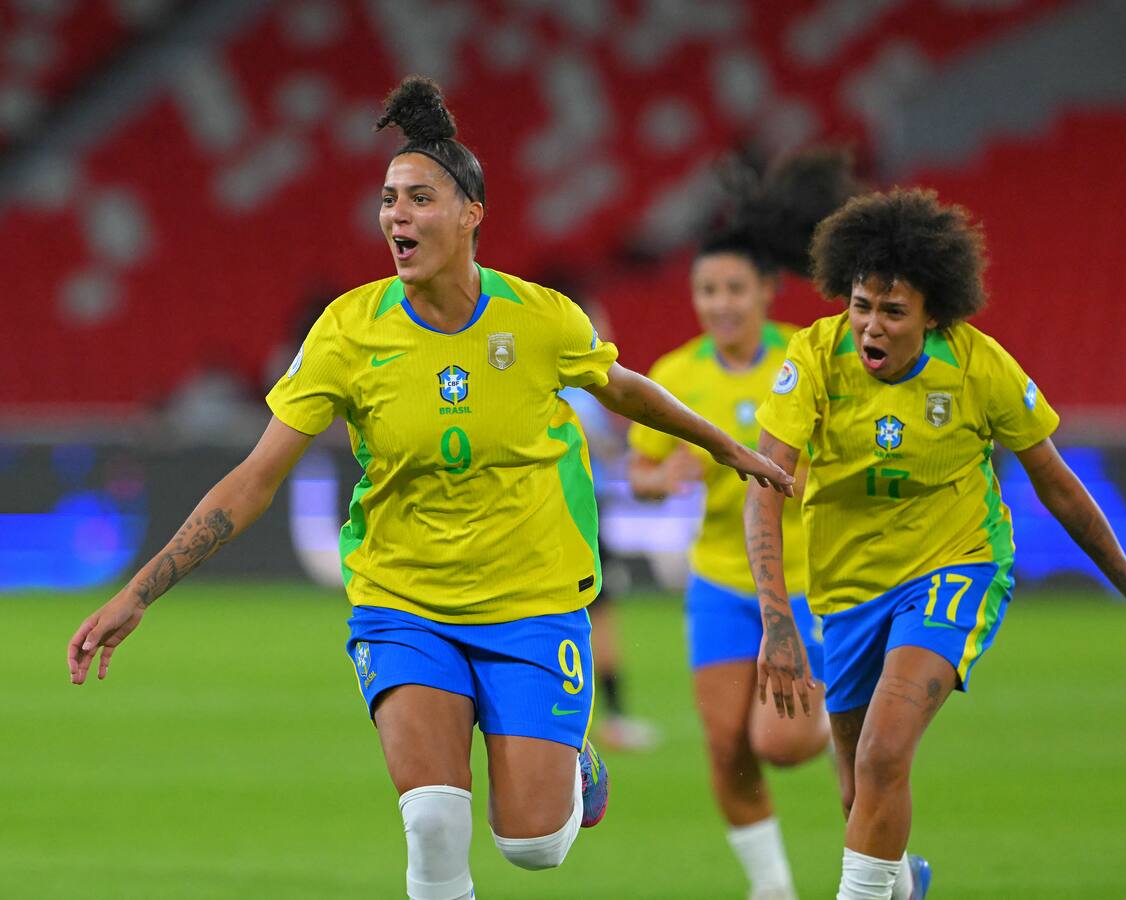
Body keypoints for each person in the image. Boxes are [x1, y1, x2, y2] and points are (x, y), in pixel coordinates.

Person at [66, 76, 795, 900]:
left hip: (530, 601)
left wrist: (726, 447)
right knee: (434, 825)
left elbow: (622, 387)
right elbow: (255, 478)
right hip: (404, 604)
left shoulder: (539, 319)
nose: (397, 216)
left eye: (419, 198)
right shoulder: (347, 331)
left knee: (533, 848)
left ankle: (572, 766)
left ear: (471, 214)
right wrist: (139, 591)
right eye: (388, 200)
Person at [745, 187, 1126, 900]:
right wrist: (776, 619)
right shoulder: (815, 356)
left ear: (934, 314)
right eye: (861, 305)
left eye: (893, 311)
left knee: (884, 753)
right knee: (859, 788)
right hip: (846, 589)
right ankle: (902, 884)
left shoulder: (979, 367)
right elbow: (765, 487)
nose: (871, 326)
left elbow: (1058, 485)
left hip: (955, 567)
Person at [628, 149, 859, 900]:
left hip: (808, 584)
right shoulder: (676, 375)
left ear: (765, 289)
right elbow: (639, 473)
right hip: (722, 583)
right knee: (727, 746)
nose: (719, 303)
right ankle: (773, 888)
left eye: (733, 288)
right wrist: (663, 479)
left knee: (781, 744)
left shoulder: (806, 356)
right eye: (706, 290)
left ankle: (841, 728)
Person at [557, 295, 662, 752]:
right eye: (596, 323)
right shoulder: (577, 387)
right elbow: (594, 442)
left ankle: (566, 720)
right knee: (596, 615)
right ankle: (609, 720)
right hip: (575, 514)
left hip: (566, 511)